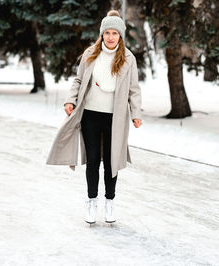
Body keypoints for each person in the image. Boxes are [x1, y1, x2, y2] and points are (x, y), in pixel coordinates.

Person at [46, 10, 142, 225]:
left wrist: (136, 113)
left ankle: (110, 202)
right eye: (107, 32)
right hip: (90, 115)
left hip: (115, 118)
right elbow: (78, 81)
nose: (110, 37)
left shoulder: (128, 58)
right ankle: (91, 202)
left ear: (120, 35)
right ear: (101, 34)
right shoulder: (90, 54)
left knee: (111, 162)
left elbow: (134, 89)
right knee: (92, 161)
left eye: (114, 33)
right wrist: (70, 100)